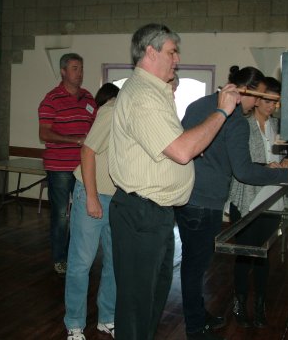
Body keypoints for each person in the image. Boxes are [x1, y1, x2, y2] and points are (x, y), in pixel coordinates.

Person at [108, 23, 241, 340]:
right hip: (141, 213)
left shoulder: (156, 93)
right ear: (151, 52)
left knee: (152, 301)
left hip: (156, 213)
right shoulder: (143, 96)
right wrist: (221, 112)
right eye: (172, 52)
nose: (177, 59)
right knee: (137, 305)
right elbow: (182, 151)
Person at [176, 67, 288, 340]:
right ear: (246, 91)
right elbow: (244, 171)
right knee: (195, 267)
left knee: (192, 265)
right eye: (258, 96)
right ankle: (195, 328)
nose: (259, 103)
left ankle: (197, 315)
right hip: (206, 201)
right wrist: (287, 174)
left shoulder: (199, 104)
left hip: (186, 197)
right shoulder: (234, 118)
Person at [227, 76, 288, 329]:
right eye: (269, 100)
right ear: (257, 99)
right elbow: (239, 164)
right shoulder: (242, 125)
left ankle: (259, 304)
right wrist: (265, 166)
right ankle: (239, 302)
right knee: (244, 253)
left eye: (276, 102)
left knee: (263, 255)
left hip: (272, 199)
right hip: (246, 197)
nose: (272, 106)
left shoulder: (278, 126)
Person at [64, 83, 120, 340]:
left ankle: (106, 318)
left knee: (114, 262)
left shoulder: (136, 113)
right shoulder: (112, 110)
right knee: (81, 263)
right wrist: (91, 197)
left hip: (117, 199)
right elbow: (87, 151)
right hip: (92, 192)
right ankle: (74, 324)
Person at [38, 53, 97, 276]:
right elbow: (43, 133)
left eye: (81, 68)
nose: (79, 73)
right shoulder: (51, 99)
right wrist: (74, 140)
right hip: (60, 167)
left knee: (82, 214)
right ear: (63, 71)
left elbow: (97, 128)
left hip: (84, 167)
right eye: (74, 68)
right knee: (61, 215)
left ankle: (78, 257)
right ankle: (60, 259)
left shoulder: (89, 98)